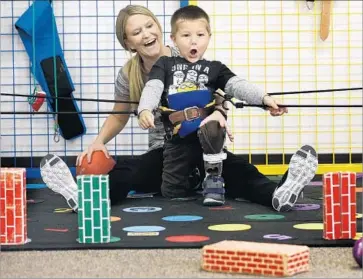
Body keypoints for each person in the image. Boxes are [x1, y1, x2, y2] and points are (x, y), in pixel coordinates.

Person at [40, 4, 318, 213]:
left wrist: (258, 100)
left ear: (164, 32)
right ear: (128, 43)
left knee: (237, 170)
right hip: (166, 153)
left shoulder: (186, 58)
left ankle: (277, 194)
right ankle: (85, 199)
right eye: (137, 32)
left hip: (202, 145)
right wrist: (99, 141)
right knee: (131, 169)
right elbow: (120, 112)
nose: (147, 34)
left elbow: (225, 91)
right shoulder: (130, 74)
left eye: (150, 26)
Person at [136, 5, 318, 208]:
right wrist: (144, 109)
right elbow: (153, 86)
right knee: (171, 192)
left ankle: (279, 192)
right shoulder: (165, 64)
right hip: (177, 142)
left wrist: (264, 99)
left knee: (235, 166)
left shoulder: (215, 68)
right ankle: (198, 179)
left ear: (209, 37)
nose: (193, 40)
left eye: (200, 34)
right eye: (186, 35)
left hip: (208, 140)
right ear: (174, 39)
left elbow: (238, 85)